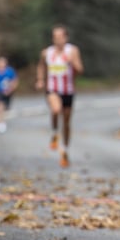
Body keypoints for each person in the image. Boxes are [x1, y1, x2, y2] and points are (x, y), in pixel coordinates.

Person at [36, 24, 84, 168]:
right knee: (56, 110)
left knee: (67, 122)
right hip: (52, 89)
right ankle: (55, 132)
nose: (58, 40)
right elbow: (41, 67)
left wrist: (72, 63)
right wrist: (40, 80)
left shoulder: (72, 51)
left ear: (66, 38)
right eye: (55, 37)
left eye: (60, 37)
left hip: (68, 90)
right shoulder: (46, 53)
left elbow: (80, 70)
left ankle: (65, 150)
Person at [0, 56, 18, 133]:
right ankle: (1, 123)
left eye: (2, 63)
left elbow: (15, 81)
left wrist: (10, 89)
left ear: (5, 64)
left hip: (8, 92)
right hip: (0, 92)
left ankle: (3, 116)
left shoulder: (10, 71)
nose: (1, 65)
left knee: (6, 108)